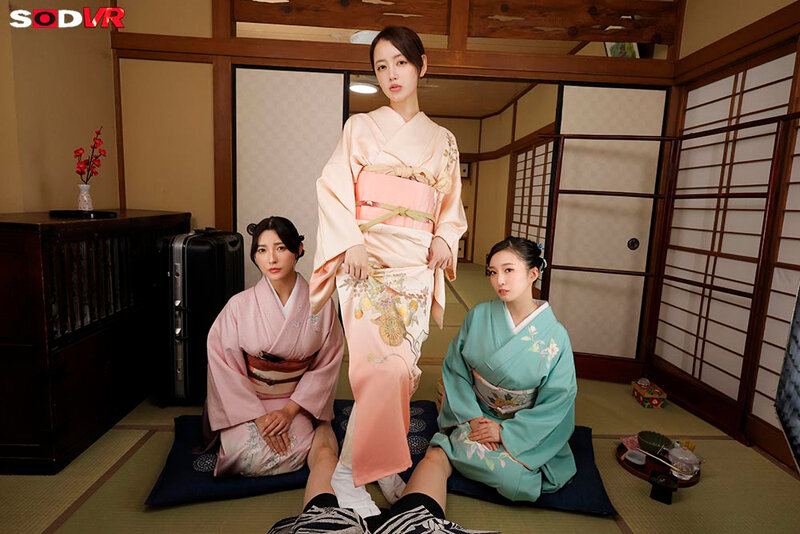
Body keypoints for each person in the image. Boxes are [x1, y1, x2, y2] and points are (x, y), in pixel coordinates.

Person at [309, 26, 468, 516]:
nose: (391, 74)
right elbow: (332, 186)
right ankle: (347, 473)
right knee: (380, 370)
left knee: (399, 374)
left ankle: (379, 465)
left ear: (422, 65)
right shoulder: (359, 127)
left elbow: (451, 205)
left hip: (415, 265)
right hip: (366, 262)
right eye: (381, 66)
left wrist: (445, 237)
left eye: (400, 62)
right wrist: (350, 242)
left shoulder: (444, 140)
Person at [430, 236, 577, 502]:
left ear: (533, 274)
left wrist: (504, 433)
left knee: (515, 479)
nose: (500, 280)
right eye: (492, 272)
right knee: (470, 450)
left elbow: (559, 399)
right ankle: (460, 440)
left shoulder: (556, 336)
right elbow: (456, 369)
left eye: (509, 270)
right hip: (478, 415)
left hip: (525, 428)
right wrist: (473, 417)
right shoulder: (478, 316)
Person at [202, 216, 345, 477]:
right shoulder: (238, 305)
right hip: (248, 402)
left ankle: (314, 425)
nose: (272, 259)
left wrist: (290, 412)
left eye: (280, 248)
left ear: (298, 249)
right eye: (262, 250)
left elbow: (327, 363)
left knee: (297, 446)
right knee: (243, 454)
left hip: (296, 402)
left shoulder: (322, 305)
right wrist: (258, 417)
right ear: (255, 256)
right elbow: (223, 364)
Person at [268, 424, 497, 534]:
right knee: (436, 458)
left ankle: (323, 421)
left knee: (324, 455)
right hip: (411, 528)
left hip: (333, 527)